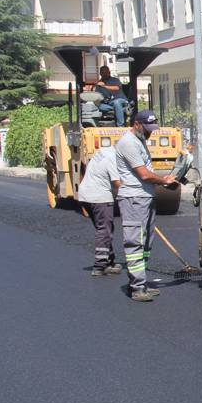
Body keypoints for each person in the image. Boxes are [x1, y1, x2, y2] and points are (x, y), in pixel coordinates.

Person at [115, 110, 176, 302]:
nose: (150, 133)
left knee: (146, 244)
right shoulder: (128, 143)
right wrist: (163, 181)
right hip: (134, 198)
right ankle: (137, 287)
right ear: (137, 124)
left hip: (145, 197)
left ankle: (142, 282)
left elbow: (148, 171)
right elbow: (144, 174)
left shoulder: (140, 141)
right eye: (147, 129)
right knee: (135, 242)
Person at [77, 146, 123, 276]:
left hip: (85, 194)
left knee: (103, 228)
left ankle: (109, 261)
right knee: (104, 230)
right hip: (99, 197)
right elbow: (116, 182)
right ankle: (100, 265)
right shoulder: (113, 158)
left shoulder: (103, 151)